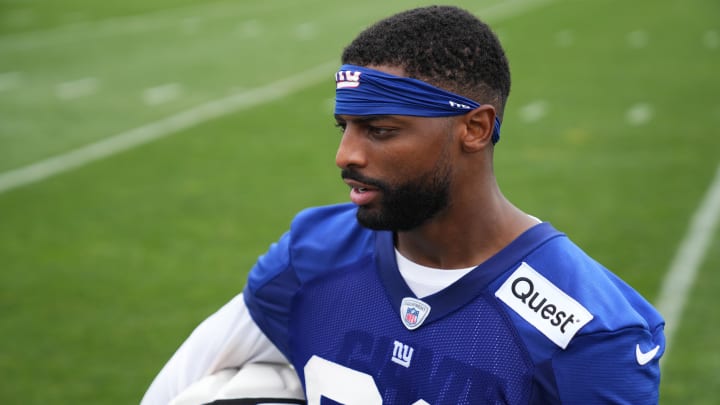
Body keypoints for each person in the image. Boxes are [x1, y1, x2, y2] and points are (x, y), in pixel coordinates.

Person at [142, 5, 664, 404]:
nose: (346, 155)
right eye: (344, 128)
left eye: (381, 130)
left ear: (475, 129)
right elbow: (181, 384)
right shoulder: (313, 253)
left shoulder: (589, 329)